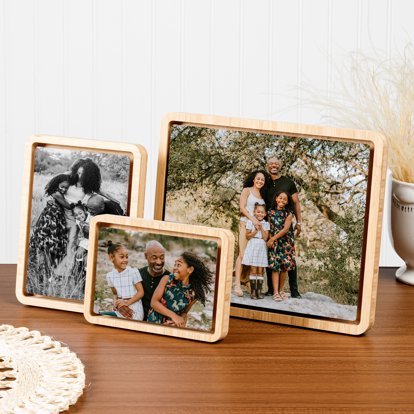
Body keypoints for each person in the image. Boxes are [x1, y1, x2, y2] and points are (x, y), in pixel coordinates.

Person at [264, 157, 302, 298]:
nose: (274, 165)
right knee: (271, 257)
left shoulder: (288, 182)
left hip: (285, 224)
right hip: (270, 223)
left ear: (280, 165)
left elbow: (296, 203)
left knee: (288, 258)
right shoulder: (265, 181)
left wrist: (299, 222)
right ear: (267, 166)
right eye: (271, 163)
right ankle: (271, 290)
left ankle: (294, 290)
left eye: (276, 163)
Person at [27, 174, 72, 293]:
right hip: (49, 222)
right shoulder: (55, 193)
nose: (63, 189)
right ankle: (42, 278)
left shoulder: (60, 193)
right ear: (57, 183)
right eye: (62, 187)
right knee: (47, 245)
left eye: (66, 188)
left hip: (55, 220)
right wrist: (76, 203)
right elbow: (67, 205)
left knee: (52, 247)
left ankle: (48, 274)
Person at [147, 252, 213, 327]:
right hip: (154, 321)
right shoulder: (167, 279)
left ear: (190, 270)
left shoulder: (194, 293)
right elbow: (154, 302)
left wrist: (180, 321)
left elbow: (184, 312)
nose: (175, 267)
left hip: (173, 325)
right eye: (175, 264)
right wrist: (174, 316)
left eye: (178, 265)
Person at [233, 170, 268, 297]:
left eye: (262, 180)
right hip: (245, 224)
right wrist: (252, 219)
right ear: (253, 179)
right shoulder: (247, 190)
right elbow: (242, 208)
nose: (260, 181)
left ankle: (247, 281)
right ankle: (237, 283)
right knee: (242, 254)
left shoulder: (263, 195)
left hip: (258, 229)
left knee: (253, 255)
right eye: (258, 178)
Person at [267, 191, 296, 302]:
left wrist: (273, 238)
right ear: (276, 199)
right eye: (280, 198)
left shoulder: (288, 214)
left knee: (284, 268)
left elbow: (285, 229)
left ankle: (281, 290)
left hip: (285, 243)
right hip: (274, 243)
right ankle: (275, 292)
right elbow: (269, 227)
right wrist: (270, 239)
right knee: (275, 267)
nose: (282, 201)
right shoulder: (270, 212)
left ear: (287, 202)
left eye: (285, 199)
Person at [106, 241, 144, 321]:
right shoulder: (110, 276)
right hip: (120, 308)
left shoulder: (133, 272)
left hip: (134, 308)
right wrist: (115, 303)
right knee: (102, 316)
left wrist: (127, 303)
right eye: (122, 257)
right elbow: (115, 294)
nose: (125, 260)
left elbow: (141, 292)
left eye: (126, 257)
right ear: (111, 257)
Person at [242, 203, 270, 299]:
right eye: (258, 212)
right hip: (253, 245)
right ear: (254, 212)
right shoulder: (250, 222)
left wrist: (261, 227)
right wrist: (255, 230)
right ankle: (253, 292)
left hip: (261, 246)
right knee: (253, 270)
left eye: (262, 212)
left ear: (265, 214)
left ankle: (259, 291)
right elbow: (247, 236)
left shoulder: (266, 224)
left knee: (260, 270)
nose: (260, 214)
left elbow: (266, 237)